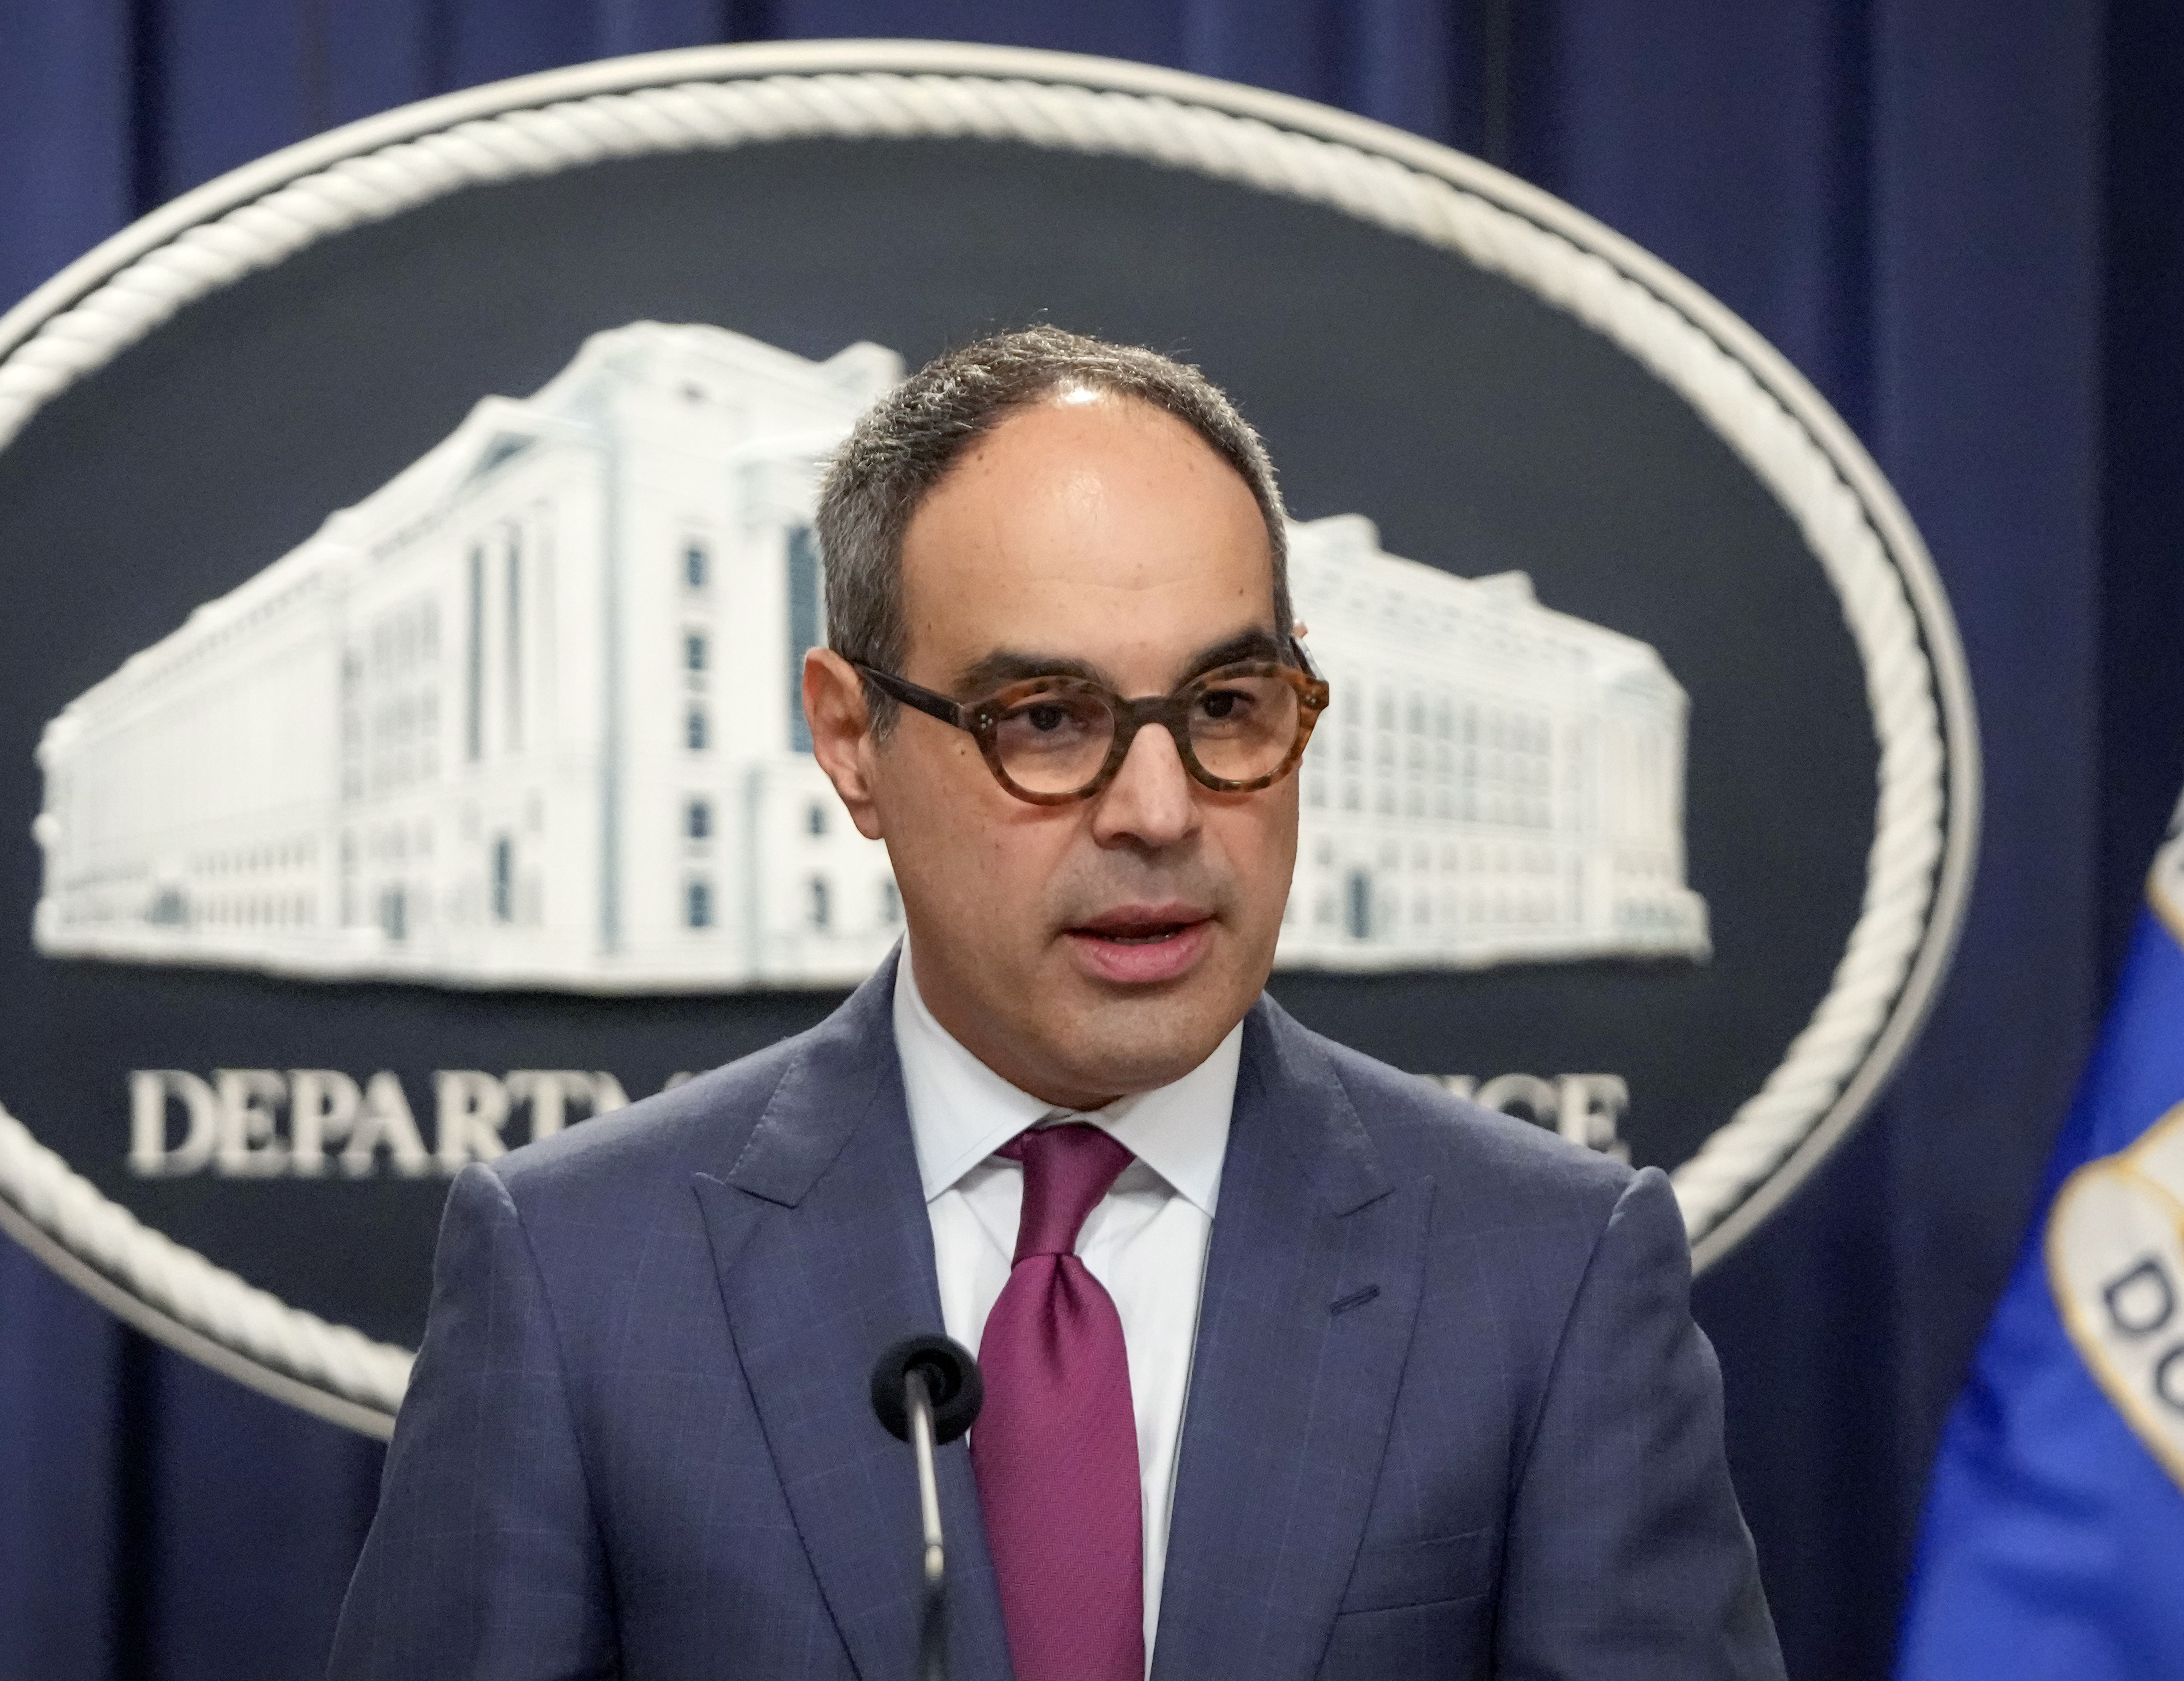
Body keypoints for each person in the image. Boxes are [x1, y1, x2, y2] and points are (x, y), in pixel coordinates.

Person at [328, 327, 1783, 1680]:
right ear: (850, 741)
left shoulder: (1546, 1276)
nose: (1158, 811)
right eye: (1046, 720)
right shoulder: (580, 1277)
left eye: (1225, 706)